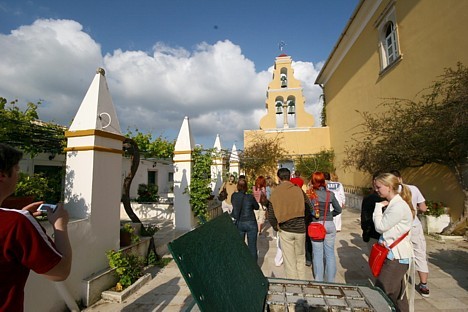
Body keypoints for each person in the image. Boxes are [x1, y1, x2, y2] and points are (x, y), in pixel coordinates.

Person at [0, 143, 72, 312]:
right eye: (17, 170)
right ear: (2, 175)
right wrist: (60, 225)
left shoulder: (16, 220)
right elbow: (60, 272)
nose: (19, 175)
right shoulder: (17, 223)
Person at [373, 172, 414, 312]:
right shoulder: (395, 204)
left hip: (396, 257)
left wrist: (377, 209)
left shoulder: (397, 206)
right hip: (394, 255)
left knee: (380, 292)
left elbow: (380, 227)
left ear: (389, 186)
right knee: (398, 296)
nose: (376, 190)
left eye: (378, 187)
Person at [390, 170, 430, 298]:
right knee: (420, 254)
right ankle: (423, 285)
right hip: (414, 225)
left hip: (400, 228)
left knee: (400, 254)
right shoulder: (413, 189)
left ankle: (400, 282)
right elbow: (423, 208)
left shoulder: (391, 191)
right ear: (400, 178)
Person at [267, 168, 312, 280]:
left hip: (285, 229)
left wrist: (276, 228)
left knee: (289, 261)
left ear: (278, 178)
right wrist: (303, 221)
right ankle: (301, 283)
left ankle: (294, 286)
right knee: (300, 258)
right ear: (289, 177)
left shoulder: (275, 193)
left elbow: (271, 215)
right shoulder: (298, 190)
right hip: (300, 229)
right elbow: (309, 207)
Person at [306, 172, 342, 282]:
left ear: (313, 182)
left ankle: (318, 280)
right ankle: (331, 280)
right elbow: (339, 209)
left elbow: (308, 211)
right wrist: (330, 215)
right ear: (323, 181)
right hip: (329, 225)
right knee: (330, 253)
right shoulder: (329, 194)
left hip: (316, 225)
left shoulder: (310, 195)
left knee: (317, 254)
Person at [231, 178, 260, 261]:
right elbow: (257, 207)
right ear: (246, 187)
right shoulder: (250, 197)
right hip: (251, 222)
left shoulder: (234, 196)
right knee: (252, 247)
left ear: (238, 186)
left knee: (240, 246)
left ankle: (241, 264)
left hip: (239, 222)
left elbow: (234, 206)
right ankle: (254, 268)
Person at [361, 172, 384, 252]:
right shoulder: (390, 199)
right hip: (379, 234)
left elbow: (365, 217)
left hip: (374, 234)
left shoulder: (369, 198)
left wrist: (365, 232)